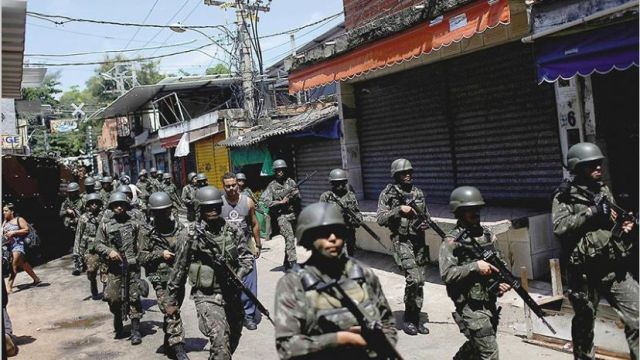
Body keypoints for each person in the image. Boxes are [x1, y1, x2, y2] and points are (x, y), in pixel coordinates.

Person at [274, 202, 398, 359]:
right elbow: (287, 347)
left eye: (337, 232)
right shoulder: (293, 283)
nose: (333, 238)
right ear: (309, 238)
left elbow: (387, 323)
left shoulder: (362, 274)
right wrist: (340, 339)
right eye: (324, 233)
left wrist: (377, 345)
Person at [552, 142, 638, 360]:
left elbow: (612, 223)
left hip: (613, 267)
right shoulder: (565, 196)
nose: (599, 168)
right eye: (592, 165)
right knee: (584, 327)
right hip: (584, 274)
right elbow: (559, 227)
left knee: (638, 317)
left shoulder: (603, 190)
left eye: (599, 164)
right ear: (578, 168)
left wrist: (625, 227)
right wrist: (591, 212)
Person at [165, 186, 253, 360]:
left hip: (232, 295)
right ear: (200, 209)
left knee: (230, 343)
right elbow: (179, 268)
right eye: (207, 207)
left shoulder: (233, 230)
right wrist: (172, 300)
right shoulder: (189, 236)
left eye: (215, 206)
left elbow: (246, 258)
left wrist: (239, 275)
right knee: (220, 344)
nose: (212, 211)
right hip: (207, 296)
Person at [440, 186, 511, 360]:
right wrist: (475, 267)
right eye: (470, 210)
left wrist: (501, 282)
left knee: (477, 344)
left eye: (477, 209)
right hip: (470, 305)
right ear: (459, 212)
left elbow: (499, 264)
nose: (476, 214)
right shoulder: (452, 241)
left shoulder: (487, 235)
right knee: (489, 352)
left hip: (489, 301)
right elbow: (447, 274)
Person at [376, 158, 430, 335]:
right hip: (402, 241)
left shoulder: (418, 193)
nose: (408, 175)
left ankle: (416, 318)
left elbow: (426, 216)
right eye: (403, 173)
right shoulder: (387, 194)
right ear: (396, 175)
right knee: (413, 278)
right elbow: (381, 218)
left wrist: (425, 223)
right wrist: (398, 209)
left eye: (409, 172)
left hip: (419, 242)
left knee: (420, 282)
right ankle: (408, 319)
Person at [139, 192, 189, 360]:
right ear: (152, 213)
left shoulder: (180, 229)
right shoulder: (147, 233)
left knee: (174, 308)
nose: (162, 215)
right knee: (171, 309)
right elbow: (140, 257)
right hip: (158, 279)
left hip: (178, 277)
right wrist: (161, 254)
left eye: (165, 211)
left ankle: (169, 343)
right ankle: (179, 347)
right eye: (158, 212)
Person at [94, 192, 145, 345]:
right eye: (116, 205)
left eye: (121, 204)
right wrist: (109, 251)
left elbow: (142, 245)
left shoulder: (135, 223)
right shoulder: (106, 224)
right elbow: (97, 244)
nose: (119, 208)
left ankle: (136, 330)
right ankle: (118, 318)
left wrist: (138, 260)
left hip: (132, 267)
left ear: (126, 206)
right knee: (113, 298)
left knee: (134, 298)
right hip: (114, 268)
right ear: (111, 207)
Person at [221, 173, 262, 331]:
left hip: (245, 250)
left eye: (233, 185)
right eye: (228, 186)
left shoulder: (248, 202)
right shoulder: (219, 203)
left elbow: (254, 224)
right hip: (226, 251)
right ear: (223, 186)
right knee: (228, 285)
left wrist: (258, 245)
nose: (231, 188)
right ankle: (232, 314)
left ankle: (249, 315)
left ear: (238, 185)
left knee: (249, 284)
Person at [261, 159, 301, 270]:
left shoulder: (291, 182)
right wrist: (280, 202)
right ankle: (293, 265)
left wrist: (294, 196)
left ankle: (286, 262)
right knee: (290, 238)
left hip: (293, 215)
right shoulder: (272, 186)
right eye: (278, 170)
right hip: (282, 216)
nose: (280, 172)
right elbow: (266, 202)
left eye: (282, 170)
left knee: (289, 241)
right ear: (274, 171)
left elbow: (298, 198)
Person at [319, 168, 363, 256]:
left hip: (349, 232)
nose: (340, 186)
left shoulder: (350, 196)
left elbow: (357, 211)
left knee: (350, 256)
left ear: (345, 182)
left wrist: (358, 218)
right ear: (332, 183)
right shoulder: (326, 197)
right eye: (336, 183)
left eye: (342, 183)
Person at [3, 204, 41, 293]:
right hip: (9, 246)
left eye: (6, 211)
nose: (4, 213)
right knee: (22, 263)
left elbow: (26, 230)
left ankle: (9, 287)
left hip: (18, 245)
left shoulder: (18, 219)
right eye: (3, 211)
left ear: (11, 211)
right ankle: (36, 278)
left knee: (14, 264)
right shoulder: (5, 222)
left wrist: (13, 232)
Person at [74, 193, 105, 300]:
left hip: (103, 246)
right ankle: (93, 283)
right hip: (90, 249)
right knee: (91, 271)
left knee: (105, 270)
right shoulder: (83, 218)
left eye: (96, 203)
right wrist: (76, 253)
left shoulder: (105, 217)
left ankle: (106, 290)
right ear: (88, 205)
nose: (94, 205)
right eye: (91, 203)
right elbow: (78, 235)